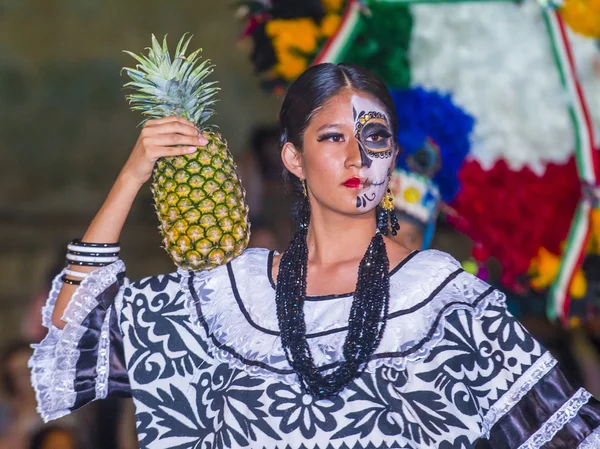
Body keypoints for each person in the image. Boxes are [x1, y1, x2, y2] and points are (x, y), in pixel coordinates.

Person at [29, 63, 600, 448]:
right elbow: (75, 326)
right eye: (332, 138)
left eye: (374, 138)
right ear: (294, 160)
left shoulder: (448, 302)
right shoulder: (230, 298)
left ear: (392, 158)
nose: (357, 157)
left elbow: (567, 434)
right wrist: (133, 175)